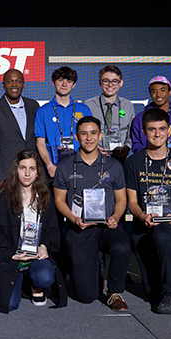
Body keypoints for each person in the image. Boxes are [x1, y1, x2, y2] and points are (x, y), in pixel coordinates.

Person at [124, 108, 171, 314]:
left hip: (170, 222)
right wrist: (142, 216)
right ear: (144, 131)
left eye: (162, 129)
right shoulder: (133, 162)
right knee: (151, 293)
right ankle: (162, 289)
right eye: (152, 129)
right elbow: (131, 202)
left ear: (169, 130)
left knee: (163, 237)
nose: (157, 134)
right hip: (143, 222)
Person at [54, 116, 131, 311]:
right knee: (87, 296)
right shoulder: (64, 167)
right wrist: (73, 219)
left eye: (93, 133)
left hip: (107, 225)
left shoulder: (113, 165)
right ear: (76, 136)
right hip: (80, 227)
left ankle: (115, 292)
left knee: (121, 246)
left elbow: (121, 200)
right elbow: (59, 200)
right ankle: (91, 275)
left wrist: (116, 217)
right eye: (84, 134)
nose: (89, 138)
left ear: (101, 135)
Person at [0, 149, 64, 313]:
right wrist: (11, 254)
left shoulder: (46, 198)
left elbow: (53, 232)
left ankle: (35, 285)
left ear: (38, 172)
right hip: (12, 258)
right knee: (9, 305)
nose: (27, 173)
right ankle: (19, 281)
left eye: (32, 168)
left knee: (44, 276)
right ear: (16, 170)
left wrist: (45, 246)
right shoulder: (3, 198)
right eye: (23, 168)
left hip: (36, 257)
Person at [0, 69, 40, 186]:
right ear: (3, 85)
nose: (14, 85)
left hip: (33, 177)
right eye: (10, 81)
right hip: (7, 179)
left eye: (18, 81)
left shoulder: (33, 106)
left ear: (23, 84)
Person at [35, 66, 93, 178]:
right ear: (53, 83)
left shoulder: (84, 109)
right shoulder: (43, 111)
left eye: (69, 81)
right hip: (53, 169)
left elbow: (90, 140)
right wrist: (49, 165)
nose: (64, 84)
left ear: (74, 84)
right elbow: (40, 142)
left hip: (80, 168)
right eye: (60, 80)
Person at [84, 65, 137, 163]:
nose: (110, 84)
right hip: (95, 157)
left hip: (121, 158)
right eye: (106, 81)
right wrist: (93, 147)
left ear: (121, 83)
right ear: (100, 83)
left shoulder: (127, 105)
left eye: (115, 81)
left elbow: (131, 132)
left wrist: (127, 147)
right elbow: (82, 131)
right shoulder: (89, 104)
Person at [130, 76, 171, 157]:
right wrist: (152, 153)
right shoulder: (140, 118)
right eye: (154, 91)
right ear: (150, 94)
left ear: (170, 92)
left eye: (162, 90)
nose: (158, 94)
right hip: (146, 164)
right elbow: (135, 144)